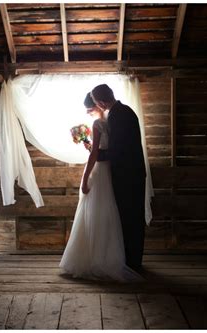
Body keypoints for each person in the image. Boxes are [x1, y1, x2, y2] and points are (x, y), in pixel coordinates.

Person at [59, 93, 143, 282]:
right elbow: (107, 148)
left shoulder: (98, 124)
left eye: (90, 109)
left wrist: (84, 179)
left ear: (98, 105)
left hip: (101, 171)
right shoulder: (109, 121)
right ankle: (108, 255)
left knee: (93, 211)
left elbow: (95, 154)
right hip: (110, 172)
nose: (89, 113)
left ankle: (94, 257)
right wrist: (89, 145)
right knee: (107, 212)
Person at [91, 84, 146, 270]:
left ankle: (132, 262)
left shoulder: (119, 115)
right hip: (130, 173)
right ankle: (131, 260)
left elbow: (119, 149)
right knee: (129, 217)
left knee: (130, 218)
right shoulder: (122, 111)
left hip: (128, 175)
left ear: (100, 101)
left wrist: (97, 155)